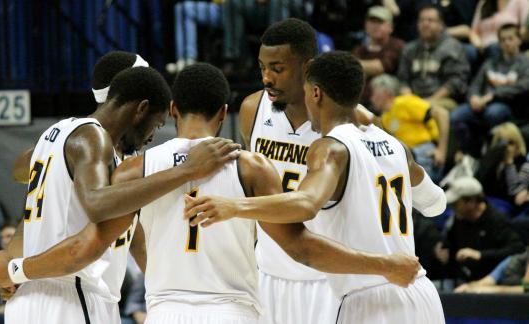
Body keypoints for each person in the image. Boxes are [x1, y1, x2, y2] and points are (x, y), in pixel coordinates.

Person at [113, 62, 419, 324]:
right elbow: (302, 247)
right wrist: (384, 264)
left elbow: (127, 241)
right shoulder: (251, 167)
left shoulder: (133, 171)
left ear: (173, 109)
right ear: (223, 113)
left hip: (165, 312)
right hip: (232, 311)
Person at [186, 52, 447, 323]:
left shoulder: (329, 148)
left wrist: (234, 206)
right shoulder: (396, 146)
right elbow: (436, 204)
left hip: (369, 299)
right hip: (420, 292)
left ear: (315, 93)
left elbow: (306, 204)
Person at [0, 66, 240, 323]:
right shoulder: (92, 137)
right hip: (72, 295)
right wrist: (186, 170)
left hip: (29, 296)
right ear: (141, 109)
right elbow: (96, 205)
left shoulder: (60, 136)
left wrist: (12, 267)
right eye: (157, 124)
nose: (151, 137)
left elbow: (136, 240)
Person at [237, 18, 377, 324]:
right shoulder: (251, 110)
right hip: (268, 276)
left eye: (277, 68)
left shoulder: (355, 122)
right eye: (262, 67)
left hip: (328, 280)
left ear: (307, 66)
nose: (266, 78)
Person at [452, 24, 529, 157]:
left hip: (509, 107)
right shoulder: (490, 63)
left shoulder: (525, 63)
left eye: (510, 39)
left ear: (519, 40)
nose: (506, 43)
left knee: (493, 113)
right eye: (503, 40)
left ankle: (490, 151)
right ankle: (469, 153)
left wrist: (492, 96)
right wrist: (473, 98)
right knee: (456, 115)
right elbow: (475, 84)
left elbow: (522, 86)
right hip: (481, 104)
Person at [442, 176, 525, 282]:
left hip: (491, 282)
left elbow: (516, 249)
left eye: (456, 203)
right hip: (462, 279)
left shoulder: (497, 220)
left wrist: (480, 255)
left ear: (471, 201)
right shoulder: (458, 219)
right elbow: (451, 248)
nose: (452, 207)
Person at [370, 74, 449, 182]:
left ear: (386, 93)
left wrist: (441, 150)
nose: (372, 99)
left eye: (374, 94)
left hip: (425, 152)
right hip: (409, 156)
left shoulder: (405, 102)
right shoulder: (385, 117)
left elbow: (442, 113)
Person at [397, 4, 470, 111]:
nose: (425, 24)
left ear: (441, 25)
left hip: (442, 100)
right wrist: (410, 99)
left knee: (431, 110)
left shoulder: (453, 47)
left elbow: (455, 82)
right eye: (422, 20)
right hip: (413, 100)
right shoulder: (409, 49)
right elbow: (403, 79)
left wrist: (430, 101)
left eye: (430, 20)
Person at [353, 6, 405, 105]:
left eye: (380, 22)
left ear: (391, 27)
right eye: (372, 22)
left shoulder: (397, 45)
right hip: (361, 100)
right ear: (366, 25)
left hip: (388, 102)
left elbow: (380, 67)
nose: (375, 26)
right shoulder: (360, 50)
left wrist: (356, 65)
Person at [165, 1, 222, 74]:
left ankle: (188, 59)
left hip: (230, 9)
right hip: (216, 7)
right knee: (182, 8)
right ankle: (186, 59)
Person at [455, 249, 529, 294]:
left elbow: (526, 289)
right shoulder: (512, 261)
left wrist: (495, 290)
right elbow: (487, 281)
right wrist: (469, 287)